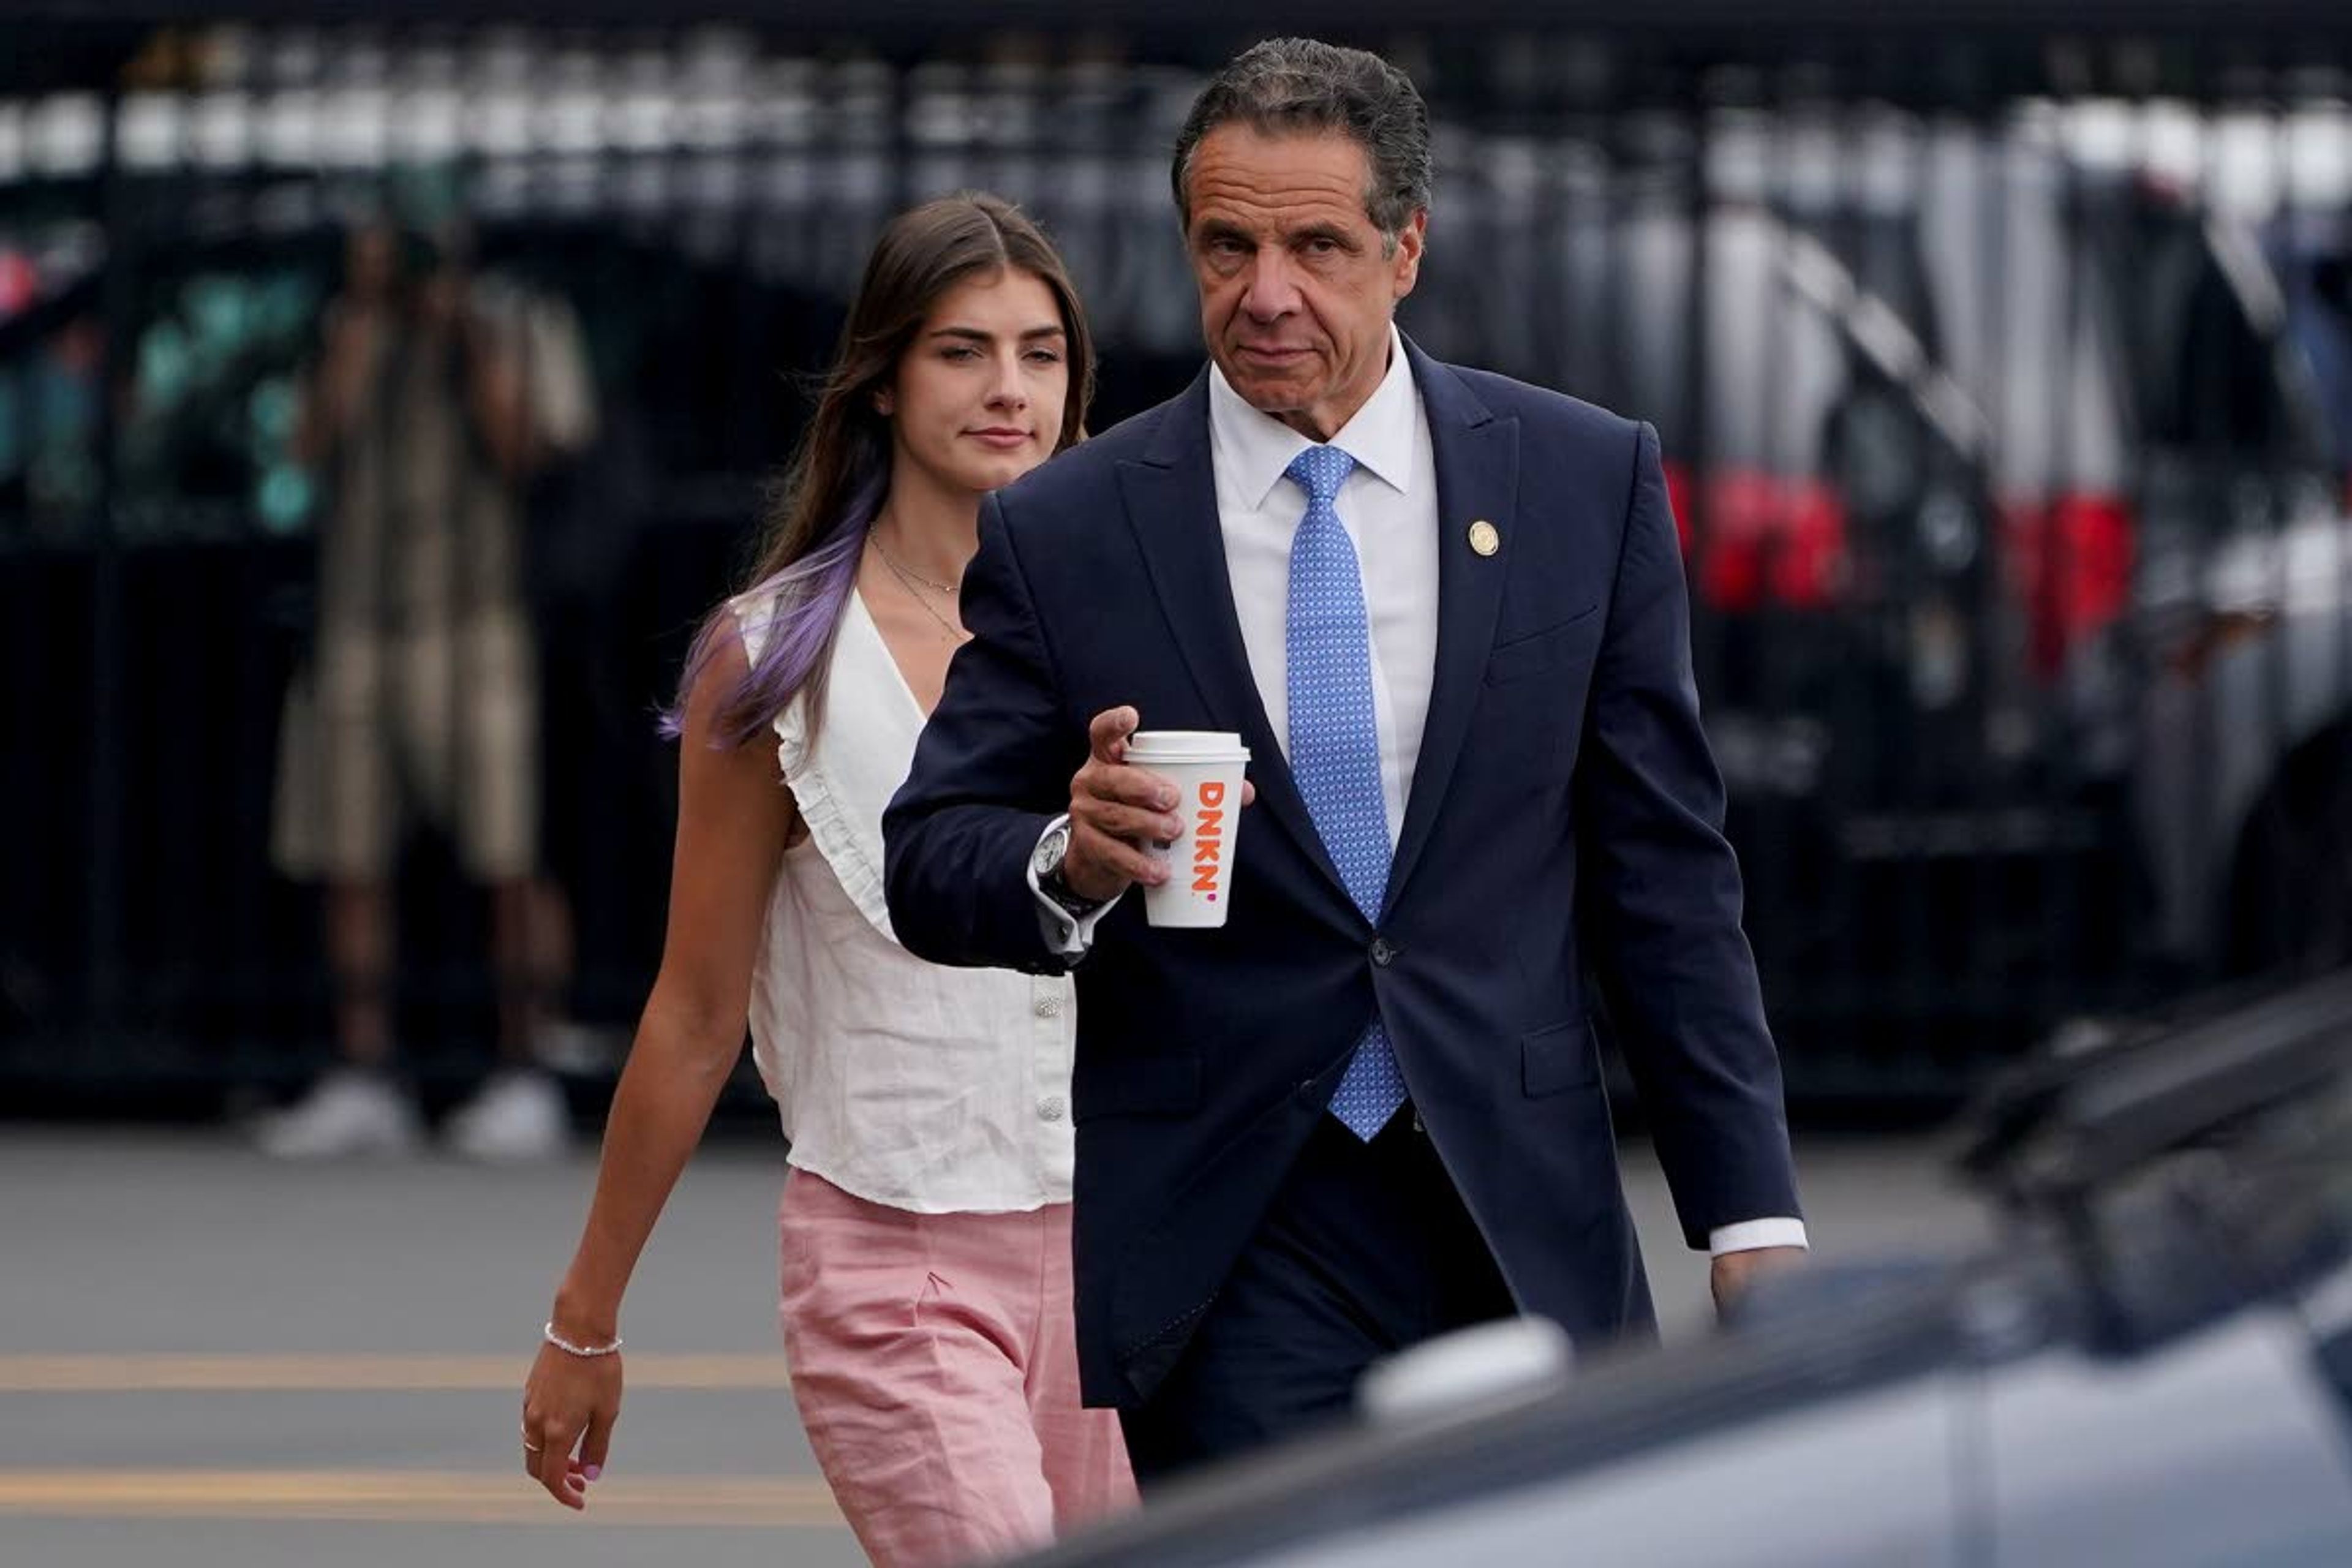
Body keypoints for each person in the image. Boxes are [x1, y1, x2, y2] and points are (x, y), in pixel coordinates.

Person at [881, 39, 1807, 1485]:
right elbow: (930, 855)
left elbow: (1667, 878)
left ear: (1406, 249)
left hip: (1517, 1204)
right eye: (1227, 245)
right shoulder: (1069, 529)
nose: (1266, 293)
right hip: (1240, 1223)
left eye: (1317, 245)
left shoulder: (1578, 481)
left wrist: (1750, 1218)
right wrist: (1066, 856)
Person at [518, 193, 1135, 1564]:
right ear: (884, 379)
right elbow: (693, 1012)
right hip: (894, 1253)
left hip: (1129, 1252)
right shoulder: (779, 655)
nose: (1009, 389)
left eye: (1042, 354)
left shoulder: (1141, 622)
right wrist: (586, 1316)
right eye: (963, 350)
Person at [261, 217, 572, 1161]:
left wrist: (465, 330)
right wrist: (362, 321)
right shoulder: (346, 327)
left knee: (506, 849)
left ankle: (526, 1070)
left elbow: (530, 448)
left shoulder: (518, 319)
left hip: (475, 617)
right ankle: (365, 1071)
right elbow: (304, 449)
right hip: (360, 617)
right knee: (347, 850)